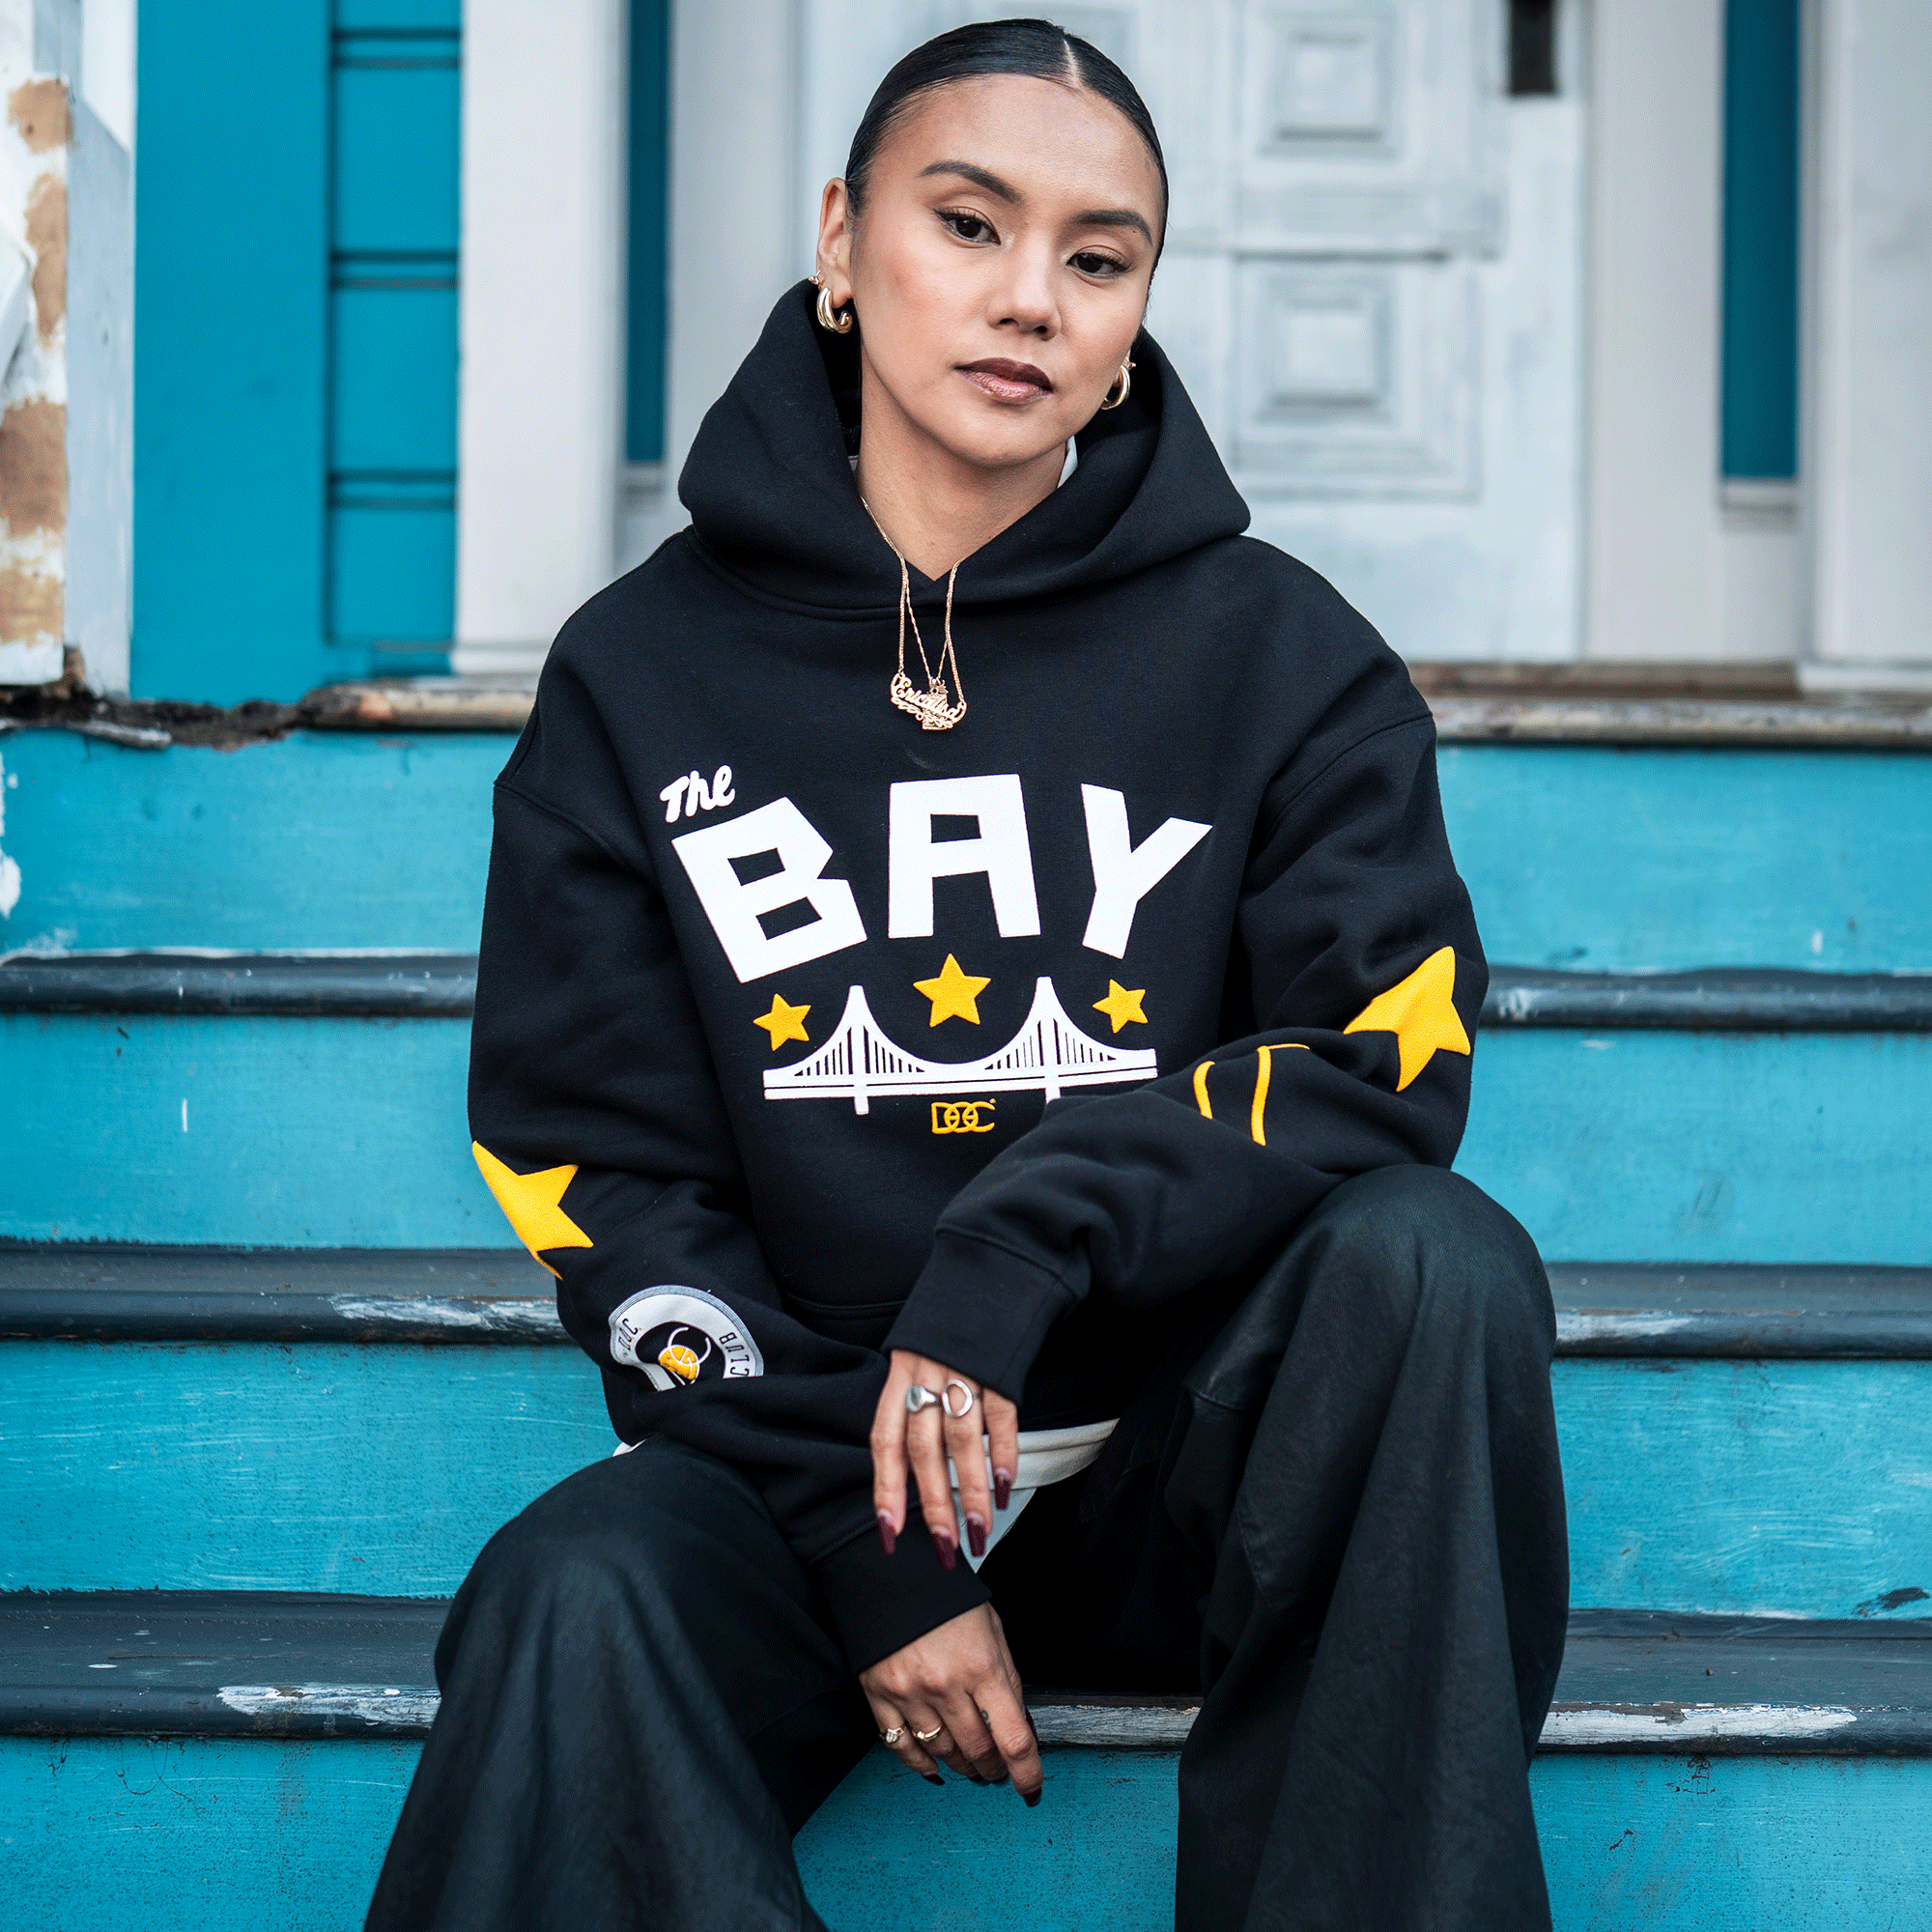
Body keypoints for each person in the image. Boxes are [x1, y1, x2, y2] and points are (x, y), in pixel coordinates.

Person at [365, 18, 1568, 1931]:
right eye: (967, 223)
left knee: (1435, 1260)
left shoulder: (1281, 658)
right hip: (813, 1466)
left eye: (1099, 258)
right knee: (568, 1595)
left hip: (1196, 1461)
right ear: (841, 244)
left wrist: (1018, 1249)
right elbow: (593, 1166)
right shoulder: (637, 675)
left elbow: (1379, 1056)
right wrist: (872, 1544)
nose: (1031, 299)